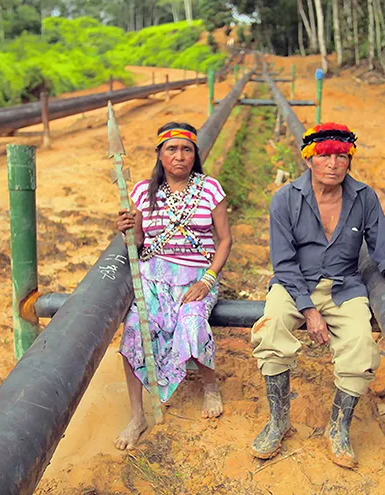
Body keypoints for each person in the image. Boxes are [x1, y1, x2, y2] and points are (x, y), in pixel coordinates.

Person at [250, 123, 385, 468]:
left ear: (350, 160)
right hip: (294, 284)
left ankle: (338, 427)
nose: (333, 164)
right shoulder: (286, 199)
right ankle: (278, 421)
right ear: (309, 160)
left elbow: (384, 249)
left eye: (341, 156)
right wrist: (309, 311)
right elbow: (284, 263)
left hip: (343, 285)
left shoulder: (364, 197)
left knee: (362, 347)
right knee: (270, 331)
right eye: (324, 156)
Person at [114, 122, 232, 450]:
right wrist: (127, 229)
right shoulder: (141, 192)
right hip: (152, 277)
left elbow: (225, 240)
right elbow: (138, 243)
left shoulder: (210, 189)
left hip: (196, 277)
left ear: (195, 155)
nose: (179, 156)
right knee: (135, 328)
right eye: (171, 149)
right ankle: (137, 416)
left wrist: (208, 280)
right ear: (160, 155)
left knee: (192, 320)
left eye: (186, 150)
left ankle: (209, 386)